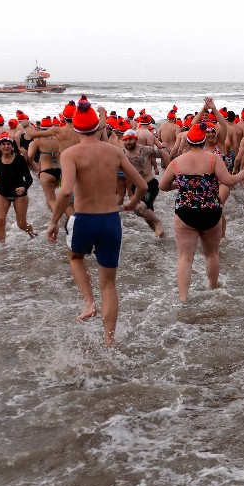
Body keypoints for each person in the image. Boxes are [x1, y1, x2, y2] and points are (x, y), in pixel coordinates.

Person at [46, 97, 148, 346]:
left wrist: (54, 221)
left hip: (84, 219)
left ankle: (89, 302)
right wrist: (133, 203)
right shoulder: (114, 151)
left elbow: (65, 191)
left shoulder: (70, 153)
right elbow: (142, 184)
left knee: (75, 257)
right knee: (109, 284)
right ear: (98, 127)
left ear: (76, 128)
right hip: (111, 220)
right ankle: (109, 340)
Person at [159, 123, 244, 302]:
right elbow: (227, 181)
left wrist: (182, 184)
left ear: (188, 141)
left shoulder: (177, 162)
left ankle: (184, 298)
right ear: (202, 141)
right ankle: (213, 288)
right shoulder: (213, 159)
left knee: (185, 258)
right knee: (212, 254)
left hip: (185, 213)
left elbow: (163, 186)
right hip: (211, 211)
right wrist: (242, 174)